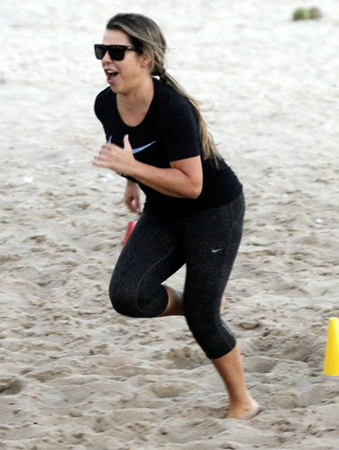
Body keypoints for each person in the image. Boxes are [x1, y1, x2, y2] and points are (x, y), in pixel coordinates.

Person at [91, 13, 259, 420]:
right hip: (163, 209)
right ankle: (200, 303)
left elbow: (192, 185)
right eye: (101, 52)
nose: (106, 61)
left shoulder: (173, 110)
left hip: (213, 210)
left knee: (205, 321)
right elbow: (126, 148)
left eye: (116, 52)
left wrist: (133, 170)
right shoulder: (104, 102)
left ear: (145, 57)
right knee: (127, 296)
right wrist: (130, 181)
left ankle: (244, 402)